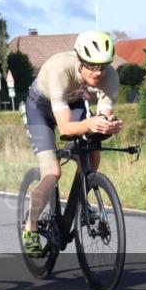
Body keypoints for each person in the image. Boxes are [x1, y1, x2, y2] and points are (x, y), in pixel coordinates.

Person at [21, 30, 124, 257]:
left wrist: (108, 125)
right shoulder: (60, 69)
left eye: (103, 66)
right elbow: (66, 127)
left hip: (73, 104)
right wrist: (91, 124)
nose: (98, 72)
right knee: (52, 173)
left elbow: (103, 115)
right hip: (40, 108)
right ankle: (31, 226)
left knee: (92, 148)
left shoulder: (111, 77)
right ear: (79, 61)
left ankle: (81, 199)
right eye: (92, 65)